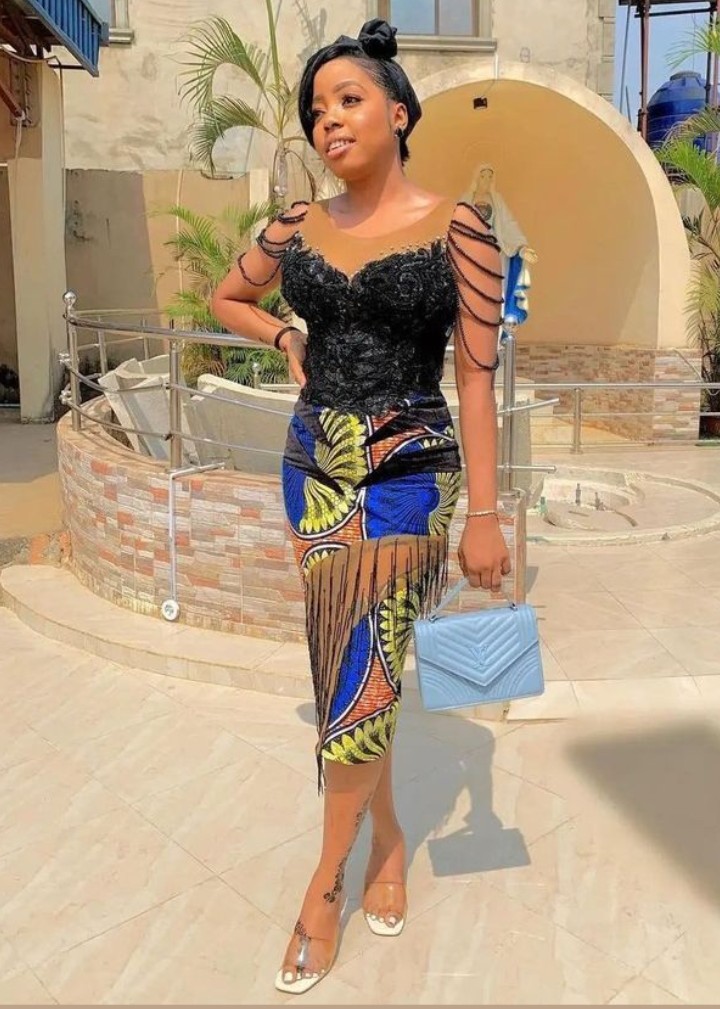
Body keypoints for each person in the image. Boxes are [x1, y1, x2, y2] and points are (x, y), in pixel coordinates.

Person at [212, 17, 511, 995]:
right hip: (313, 467)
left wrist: (484, 514)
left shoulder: (461, 228)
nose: (328, 120)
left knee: (365, 666)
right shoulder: (295, 226)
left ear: (399, 112)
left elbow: (477, 381)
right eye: (316, 109)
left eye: (348, 99)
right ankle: (385, 838)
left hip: (411, 475)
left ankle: (323, 886)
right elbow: (226, 298)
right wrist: (285, 337)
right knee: (346, 666)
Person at [464, 162, 538, 329]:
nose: (487, 180)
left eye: (490, 177)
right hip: (471, 253)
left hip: (495, 252)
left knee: (495, 292)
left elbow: (508, 225)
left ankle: (496, 330)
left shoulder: (496, 200)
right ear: (476, 178)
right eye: (483, 176)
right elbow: (456, 226)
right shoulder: (466, 200)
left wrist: (521, 247)